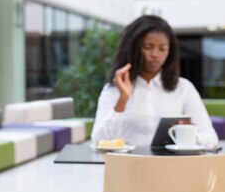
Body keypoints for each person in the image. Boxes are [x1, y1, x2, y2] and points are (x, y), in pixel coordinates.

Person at [92, 15, 217, 148]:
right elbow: (98, 140)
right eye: (148, 47)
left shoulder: (183, 88)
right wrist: (122, 100)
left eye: (162, 48)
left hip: (170, 166)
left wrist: (185, 135)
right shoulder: (115, 88)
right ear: (133, 48)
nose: (155, 54)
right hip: (128, 165)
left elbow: (211, 139)